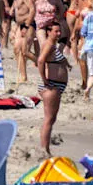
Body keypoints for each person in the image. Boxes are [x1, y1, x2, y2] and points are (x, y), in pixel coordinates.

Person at [31, 24, 70, 157]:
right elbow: (41, 61)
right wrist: (44, 79)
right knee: (49, 119)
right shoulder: (48, 44)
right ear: (48, 32)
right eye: (55, 31)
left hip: (55, 86)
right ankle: (44, 150)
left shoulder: (53, 45)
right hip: (51, 85)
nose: (58, 33)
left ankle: (46, 148)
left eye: (59, 31)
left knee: (51, 119)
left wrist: (66, 64)